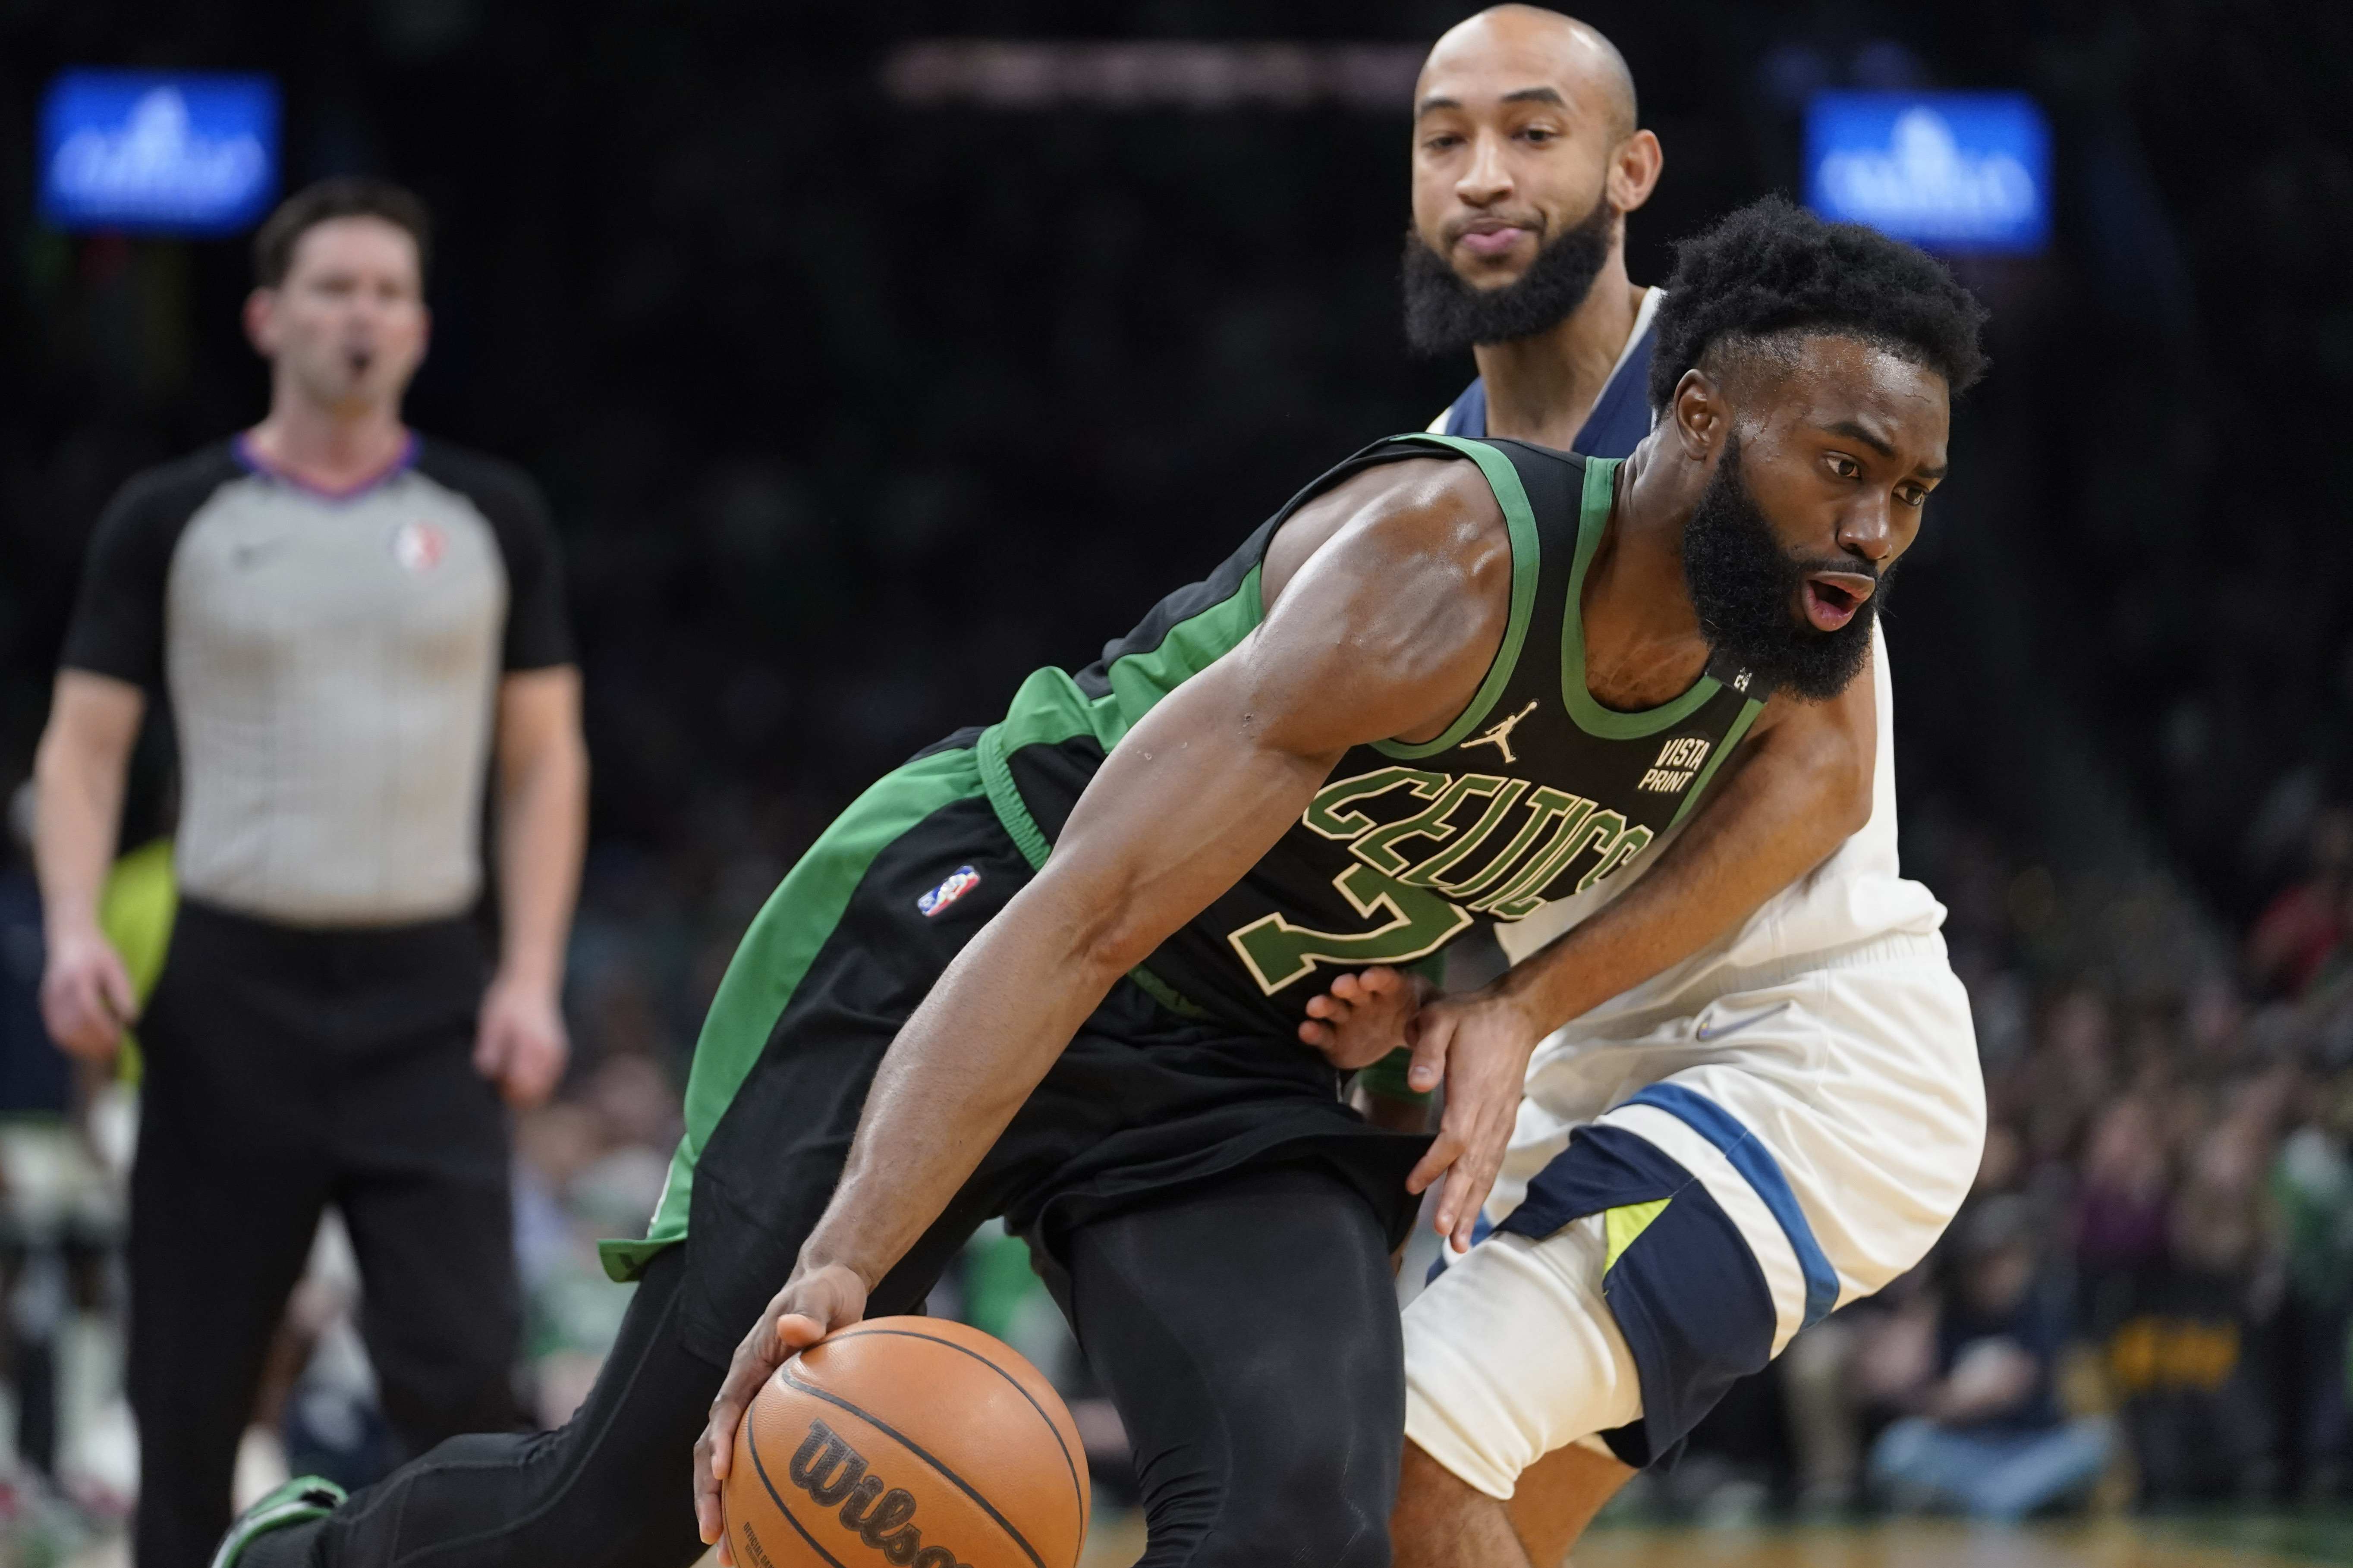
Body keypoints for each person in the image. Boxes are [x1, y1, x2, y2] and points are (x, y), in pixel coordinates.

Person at [215, 183, 1982, 1568]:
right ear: (1687, 414)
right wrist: (846, 1258)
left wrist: (1518, 1003)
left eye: (1906, 492)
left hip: (1221, 1055)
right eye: (1840, 467)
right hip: (982, 933)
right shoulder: (1443, 564)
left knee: (1303, 1517)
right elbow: (1076, 916)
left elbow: (1812, 801)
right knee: (634, 1504)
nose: (1870, 532)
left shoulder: (1795, 665)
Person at [31, 176, 588, 1568]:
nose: (364, 314)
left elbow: (544, 761)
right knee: (188, 1394)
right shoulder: (173, 518)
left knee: (464, 1378)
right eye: (336, 287)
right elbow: (83, 755)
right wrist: (69, 929)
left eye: (390, 292)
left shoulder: (489, 514)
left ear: (419, 328)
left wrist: (527, 974)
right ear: (269, 316)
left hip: (426, 995)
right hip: (229, 993)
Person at [1867, 1199, 2112, 1521]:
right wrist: (1957, 1399)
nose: (1994, 1271)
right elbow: (1924, 1402)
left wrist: (1975, 1394)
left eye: (2004, 1258)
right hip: (1965, 1449)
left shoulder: (2041, 1309)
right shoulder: (1944, 1312)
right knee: (1898, 1449)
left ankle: (1992, 1502)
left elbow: (2022, 1383)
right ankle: (1999, 1503)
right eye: (1984, 1261)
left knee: (2096, 1442)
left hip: (2030, 1449)